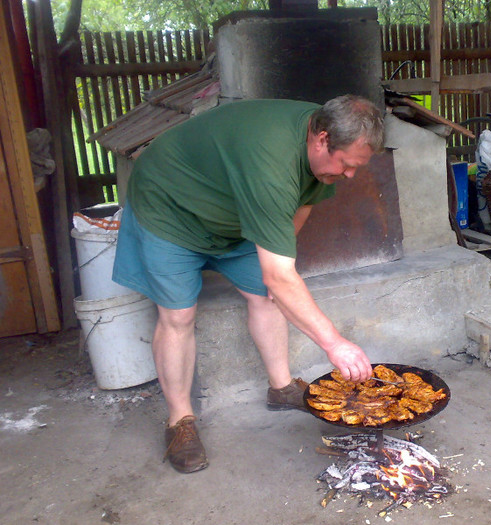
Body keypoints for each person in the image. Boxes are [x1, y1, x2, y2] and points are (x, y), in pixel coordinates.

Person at [112, 94, 385, 474]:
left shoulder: (321, 148)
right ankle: (179, 422)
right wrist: (333, 343)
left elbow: (303, 203)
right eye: (346, 165)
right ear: (321, 139)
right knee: (178, 314)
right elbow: (280, 271)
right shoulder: (271, 160)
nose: (350, 175)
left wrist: (278, 262)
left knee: (269, 294)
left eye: (357, 167)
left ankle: (282, 386)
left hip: (233, 211)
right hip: (170, 207)